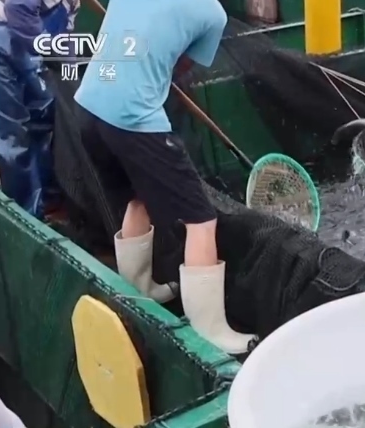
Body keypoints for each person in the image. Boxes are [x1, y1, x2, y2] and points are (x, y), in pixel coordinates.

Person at [74, 0, 255, 354]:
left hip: (89, 108)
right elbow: (180, 66)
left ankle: (139, 291)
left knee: (136, 198)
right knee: (201, 220)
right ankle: (210, 331)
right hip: (132, 116)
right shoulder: (213, 14)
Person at [0, 0, 78, 219]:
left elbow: (65, 40)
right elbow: (17, 8)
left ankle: (50, 199)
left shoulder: (72, 3)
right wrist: (48, 54)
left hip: (25, 48)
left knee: (44, 114)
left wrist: (70, 78)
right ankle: (26, 215)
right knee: (12, 135)